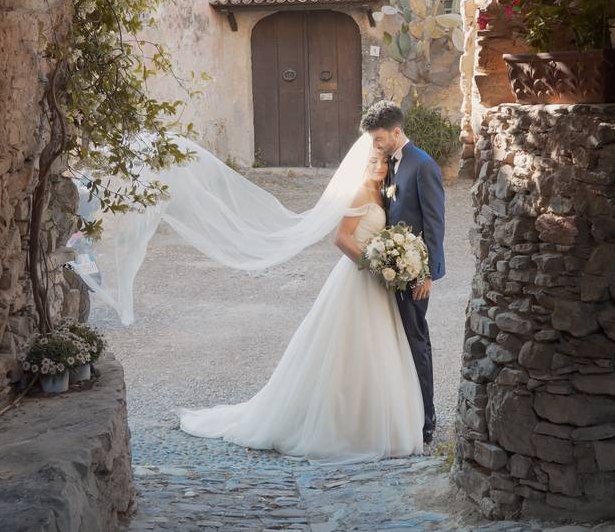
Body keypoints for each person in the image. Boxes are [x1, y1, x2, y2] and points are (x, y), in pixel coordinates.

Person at [177, 147, 425, 464]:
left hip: (379, 285)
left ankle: (375, 421)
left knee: (379, 349)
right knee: (347, 350)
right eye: (372, 162)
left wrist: (395, 258)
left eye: (383, 161)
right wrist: (373, 264)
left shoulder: (385, 192)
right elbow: (341, 238)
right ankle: (340, 425)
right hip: (358, 278)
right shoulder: (360, 193)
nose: (379, 167)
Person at [361, 100, 446, 445]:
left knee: (416, 342)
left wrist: (427, 274)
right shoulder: (388, 164)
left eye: (379, 138)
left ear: (396, 132)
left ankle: (427, 419)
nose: (375, 145)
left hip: (413, 273)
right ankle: (399, 412)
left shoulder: (423, 165)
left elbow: (435, 223)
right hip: (389, 269)